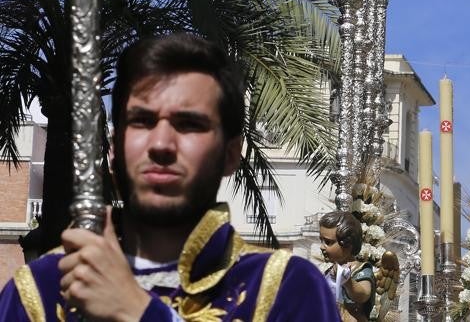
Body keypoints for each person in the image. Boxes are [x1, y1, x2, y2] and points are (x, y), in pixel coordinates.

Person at [0, 33, 340, 321]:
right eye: (142, 121)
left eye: (189, 124)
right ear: (114, 147)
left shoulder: (285, 287)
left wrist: (137, 311)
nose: (161, 144)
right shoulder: (38, 291)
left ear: (231, 154)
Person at [319, 210, 376, 321]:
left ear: (348, 244)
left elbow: (363, 294)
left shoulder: (361, 269)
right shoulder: (328, 273)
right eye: (321, 240)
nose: (322, 247)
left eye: (328, 242)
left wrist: (348, 282)